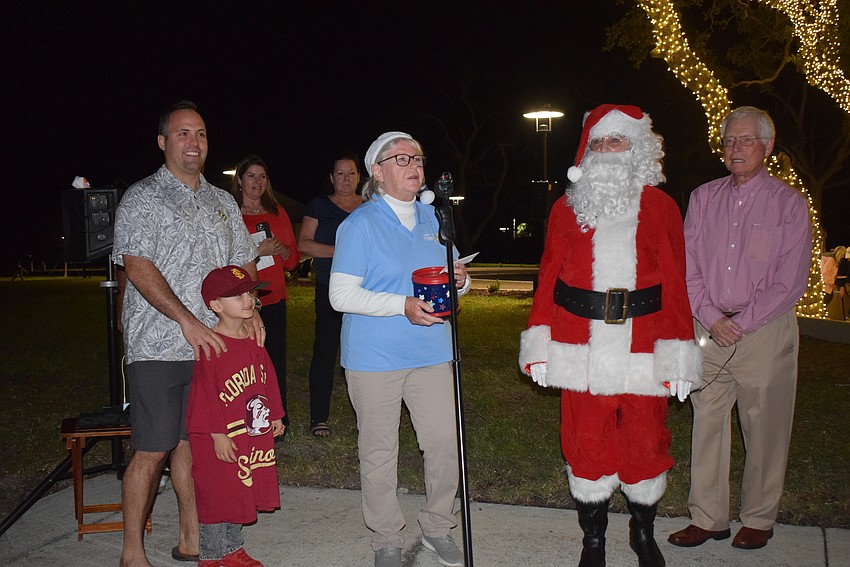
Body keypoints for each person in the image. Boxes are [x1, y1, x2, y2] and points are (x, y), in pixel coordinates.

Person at [518, 104, 700, 567]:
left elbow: (676, 284)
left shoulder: (661, 208)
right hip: (577, 345)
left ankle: (643, 535)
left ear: (636, 148)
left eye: (615, 141)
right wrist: (538, 341)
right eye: (597, 143)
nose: (606, 151)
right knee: (585, 443)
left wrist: (679, 352)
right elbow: (548, 276)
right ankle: (592, 541)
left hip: (644, 347)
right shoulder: (565, 208)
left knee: (645, 442)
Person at [112, 100, 261, 567]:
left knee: (193, 446)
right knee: (153, 447)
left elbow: (243, 260)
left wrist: (249, 308)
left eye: (199, 134)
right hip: (158, 345)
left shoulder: (221, 200)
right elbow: (137, 266)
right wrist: (187, 320)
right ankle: (131, 551)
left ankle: (191, 537)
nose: (193, 142)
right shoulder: (141, 199)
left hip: (214, 347)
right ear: (162, 142)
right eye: (182, 134)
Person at [669, 106, 812, 551]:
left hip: (764, 331)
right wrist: (711, 317)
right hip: (708, 328)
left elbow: (790, 281)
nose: (736, 148)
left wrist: (742, 322)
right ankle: (708, 517)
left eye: (747, 140)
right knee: (706, 422)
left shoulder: (788, 204)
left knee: (764, 427)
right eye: (730, 140)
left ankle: (759, 517)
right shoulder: (702, 197)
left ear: (767, 146)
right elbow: (686, 265)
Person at [329, 131, 470, 567]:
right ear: (378, 172)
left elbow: (452, 283)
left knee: (446, 443)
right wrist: (401, 306)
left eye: (418, 158)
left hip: (431, 353)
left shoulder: (434, 220)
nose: (414, 166)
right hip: (376, 360)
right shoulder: (359, 224)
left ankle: (438, 527)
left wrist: (461, 283)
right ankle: (386, 538)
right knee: (378, 452)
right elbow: (341, 295)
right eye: (402, 159)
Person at [188, 265, 285, 567]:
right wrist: (217, 434)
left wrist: (276, 415)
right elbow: (203, 394)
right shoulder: (211, 345)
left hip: (247, 431)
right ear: (215, 305)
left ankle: (232, 549)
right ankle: (212, 556)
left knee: (238, 487)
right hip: (217, 434)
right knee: (218, 492)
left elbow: (266, 376)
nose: (247, 299)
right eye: (237, 295)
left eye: (249, 292)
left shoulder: (252, 338)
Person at [230, 155, 299, 427]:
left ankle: (276, 417)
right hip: (241, 302)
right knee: (244, 363)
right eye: (251, 176)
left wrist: (280, 249)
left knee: (274, 362)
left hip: (274, 299)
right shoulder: (231, 213)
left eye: (262, 176)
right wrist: (257, 252)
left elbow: (292, 260)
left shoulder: (278, 212)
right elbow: (226, 259)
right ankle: (243, 417)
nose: (257, 182)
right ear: (239, 180)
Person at [297, 152, 363, 437]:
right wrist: (342, 253)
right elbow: (305, 245)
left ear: (360, 177)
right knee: (325, 352)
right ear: (331, 178)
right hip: (330, 288)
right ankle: (319, 416)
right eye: (340, 173)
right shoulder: (319, 206)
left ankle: (368, 416)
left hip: (366, 290)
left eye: (351, 173)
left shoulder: (371, 207)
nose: (345, 179)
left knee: (364, 353)